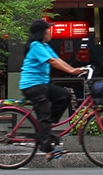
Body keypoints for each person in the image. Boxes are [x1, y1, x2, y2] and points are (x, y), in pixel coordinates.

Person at [19, 19, 84, 160]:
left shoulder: (45, 46)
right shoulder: (35, 46)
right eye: (48, 29)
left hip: (42, 84)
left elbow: (58, 59)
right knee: (44, 115)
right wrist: (72, 72)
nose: (50, 32)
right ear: (42, 32)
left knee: (65, 96)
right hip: (32, 85)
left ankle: (46, 128)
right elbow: (52, 62)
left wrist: (74, 69)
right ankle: (47, 149)